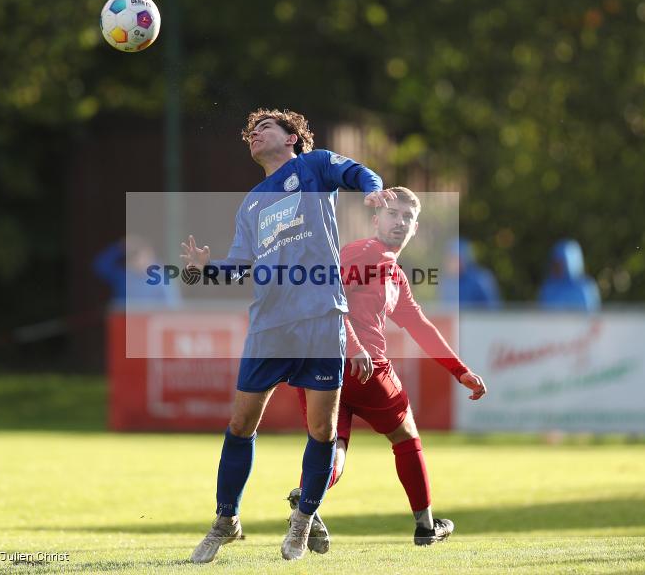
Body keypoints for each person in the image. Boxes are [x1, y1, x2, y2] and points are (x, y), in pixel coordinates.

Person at [182, 108, 394, 562]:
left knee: (322, 428)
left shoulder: (314, 166)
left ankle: (302, 520)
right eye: (250, 132)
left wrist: (374, 191)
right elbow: (239, 268)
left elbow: (359, 173)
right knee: (241, 424)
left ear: (292, 137)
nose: (254, 135)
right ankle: (226, 521)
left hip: (321, 318)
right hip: (270, 324)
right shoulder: (251, 203)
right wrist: (207, 269)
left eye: (264, 128)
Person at [289, 187, 487, 551]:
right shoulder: (366, 252)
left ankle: (306, 500)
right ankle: (426, 526)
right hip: (362, 367)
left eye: (407, 217)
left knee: (333, 447)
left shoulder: (394, 274)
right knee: (406, 436)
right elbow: (328, 296)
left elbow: (419, 326)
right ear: (376, 219)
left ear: (416, 228)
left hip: (321, 364)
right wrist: (355, 347)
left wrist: (459, 370)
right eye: (393, 214)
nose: (400, 222)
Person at [93, 235, 179, 306]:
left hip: (152, 320)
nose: (137, 259)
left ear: (150, 253)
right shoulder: (124, 276)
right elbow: (99, 267)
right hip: (124, 319)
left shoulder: (163, 278)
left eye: (139, 254)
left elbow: (172, 308)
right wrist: (119, 247)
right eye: (132, 255)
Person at [537, 239, 600, 311]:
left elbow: (592, 314)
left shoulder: (585, 288)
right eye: (555, 262)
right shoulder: (548, 289)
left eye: (560, 263)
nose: (556, 267)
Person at [439, 237, 501, 309]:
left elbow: (494, 309)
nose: (451, 263)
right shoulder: (446, 282)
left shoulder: (482, 279)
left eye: (455, 259)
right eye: (449, 259)